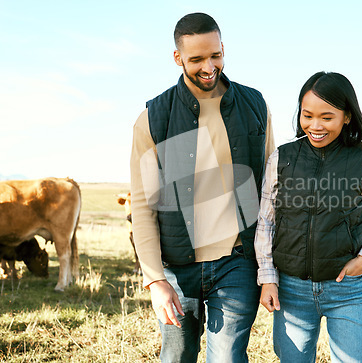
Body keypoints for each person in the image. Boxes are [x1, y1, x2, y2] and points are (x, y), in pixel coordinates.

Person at [130, 12, 274, 362]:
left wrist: (269, 267)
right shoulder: (154, 118)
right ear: (177, 58)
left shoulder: (255, 106)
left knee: (226, 358)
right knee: (177, 356)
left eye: (215, 55)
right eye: (196, 59)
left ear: (223, 48)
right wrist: (155, 281)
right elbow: (143, 206)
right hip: (178, 267)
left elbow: (271, 193)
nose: (209, 66)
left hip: (237, 262)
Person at [255, 72, 362, 362]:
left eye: (327, 117)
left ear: (346, 117)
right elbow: (266, 221)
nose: (315, 126)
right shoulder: (282, 158)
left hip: (349, 290)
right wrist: (268, 277)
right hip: (292, 290)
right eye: (307, 116)